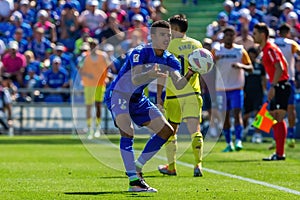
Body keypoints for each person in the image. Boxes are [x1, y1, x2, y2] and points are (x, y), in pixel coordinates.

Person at [104, 20, 196, 192]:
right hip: (119, 94)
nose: (167, 38)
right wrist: (151, 73)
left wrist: (191, 72)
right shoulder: (139, 52)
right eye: (162, 35)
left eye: (168, 35)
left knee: (167, 130)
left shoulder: (170, 59)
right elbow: (135, 78)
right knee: (127, 130)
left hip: (137, 98)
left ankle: (138, 166)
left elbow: (179, 83)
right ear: (152, 37)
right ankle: (134, 181)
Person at [156, 14, 204, 177]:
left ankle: (171, 167)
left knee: (171, 130)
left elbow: (162, 72)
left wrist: (159, 96)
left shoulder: (167, 46)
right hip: (193, 92)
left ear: (175, 29)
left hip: (173, 94)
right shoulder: (197, 44)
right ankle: (198, 165)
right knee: (195, 130)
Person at [253, 23, 291, 161]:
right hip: (279, 84)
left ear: (263, 35)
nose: (253, 36)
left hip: (279, 85)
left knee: (278, 118)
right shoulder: (267, 49)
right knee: (274, 117)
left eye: (255, 33)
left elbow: (280, 67)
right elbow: (284, 64)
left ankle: (280, 153)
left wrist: (273, 86)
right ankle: (278, 152)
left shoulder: (270, 49)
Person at [212, 26, 253, 152]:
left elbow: (250, 67)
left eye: (232, 35)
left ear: (235, 37)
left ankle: (239, 140)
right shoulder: (217, 50)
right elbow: (207, 66)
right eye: (227, 35)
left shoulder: (240, 50)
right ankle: (229, 143)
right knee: (225, 117)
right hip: (221, 89)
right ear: (223, 37)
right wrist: (214, 61)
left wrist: (241, 65)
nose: (229, 37)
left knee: (237, 114)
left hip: (236, 88)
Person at [274, 23, 300, 148]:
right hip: (288, 79)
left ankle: (276, 137)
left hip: (274, 80)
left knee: (273, 110)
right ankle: (290, 136)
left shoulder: (273, 43)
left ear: (279, 32)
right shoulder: (292, 44)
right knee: (290, 108)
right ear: (288, 33)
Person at [79, 39, 110, 139]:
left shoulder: (103, 56)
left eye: (94, 45)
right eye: (91, 45)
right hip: (88, 84)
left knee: (98, 105)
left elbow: (107, 68)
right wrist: (88, 75)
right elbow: (80, 70)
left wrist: (105, 77)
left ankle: (97, 128)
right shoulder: (85, 57)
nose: (93, 47)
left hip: (100, 84)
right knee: (88, 106)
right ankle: (89, 128)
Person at [243, 47, 266, 143]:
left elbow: (263, 79)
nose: (252, 57)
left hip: (258, 93)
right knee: (245, 115)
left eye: (253, 55)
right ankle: (243, 132)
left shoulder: (260, 66)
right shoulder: (244, 65)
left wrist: (265, 90)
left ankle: (257, 134)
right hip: (247, 93)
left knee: (258, 114)